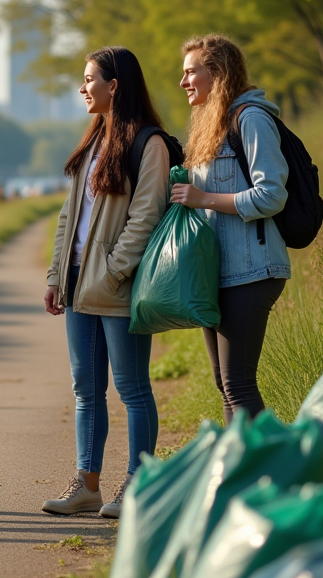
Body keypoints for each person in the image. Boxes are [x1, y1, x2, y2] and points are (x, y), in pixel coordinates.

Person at [42, 47, 172, 519]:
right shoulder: (92, 142)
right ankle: (87, 485)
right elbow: (67, 218)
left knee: (133, 388)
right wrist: (58, 274)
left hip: (118, 285)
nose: (82, 88)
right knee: (86, 389)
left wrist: (116, 269)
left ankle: (140, 486)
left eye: (89, 79)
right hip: (78, 286)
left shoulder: (148, 143)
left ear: (114, 85)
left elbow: (146, 214)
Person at [170, 34, 290, 425]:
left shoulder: (251, 119)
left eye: (192, 72)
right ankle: (238, 477)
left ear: (217, 73)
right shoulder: (211, 124)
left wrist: (203, 198)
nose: (184, 81)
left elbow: (271, 195)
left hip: (253, 271)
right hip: (219, 275)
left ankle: (275, 472)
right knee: (224, 384)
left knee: (238, 383)